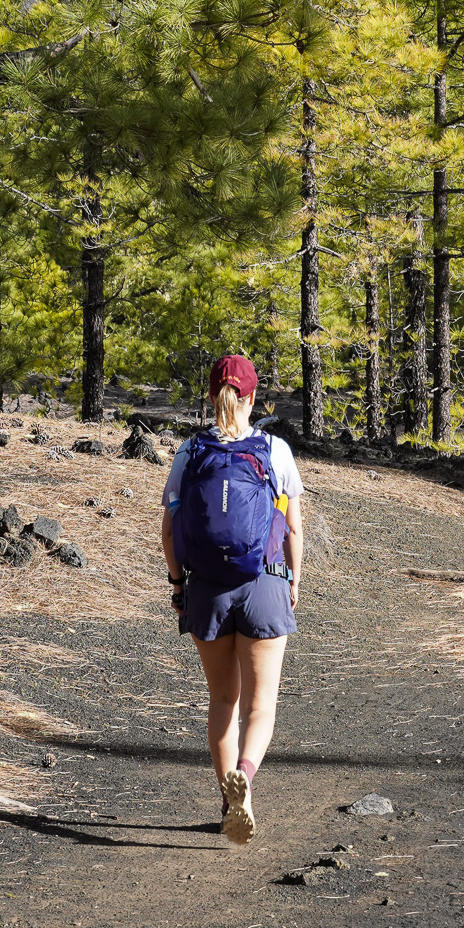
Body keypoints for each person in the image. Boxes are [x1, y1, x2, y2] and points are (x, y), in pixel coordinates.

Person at [160, 354, 303, 844]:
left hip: (206, 591)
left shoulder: (189, 452)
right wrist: (293, 581)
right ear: (252, 398)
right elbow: (293, 529)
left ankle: (227, 798)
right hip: (263, 583)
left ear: (212, 395)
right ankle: (246, 772)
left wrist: (179, 585)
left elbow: (168, 531)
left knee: (223, 698)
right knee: (261, 705)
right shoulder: (274, 450)